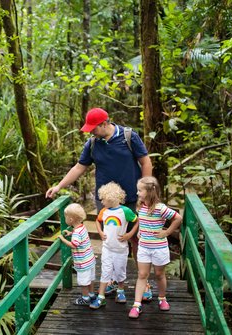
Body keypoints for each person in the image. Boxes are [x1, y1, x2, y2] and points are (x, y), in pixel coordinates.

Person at [46, 107, 153, 298]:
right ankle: (111, 280)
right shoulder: (93, 144)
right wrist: (59, 186)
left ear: (105, 124)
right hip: (106, 202)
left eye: (93, 128)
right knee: (109, 239)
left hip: (131, 198)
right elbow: (80, 167)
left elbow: (146, 162)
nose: (91, 132)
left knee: (137, 240)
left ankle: (143, 283)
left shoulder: (129, 136)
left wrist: (146, 193)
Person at [128, 176, 182, 319]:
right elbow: (142, 219)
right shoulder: (140, 206)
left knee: (159, 275)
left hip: (159, 248)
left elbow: (178, 218)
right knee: (142, 275)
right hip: (144, 247)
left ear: (150, 191)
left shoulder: (160, 208)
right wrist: (140, 231)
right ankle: (136, 305)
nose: (137, 193)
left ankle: (162, 298)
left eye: (140, 190)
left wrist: (167, 232)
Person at [90, 182, 139, 309]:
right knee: (105, 271)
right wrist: (100, 232)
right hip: (107, 248)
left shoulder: (125, 211)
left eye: (103, 199)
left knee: (120, 271)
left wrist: (130, 234)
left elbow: (137, 220)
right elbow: (97, 220)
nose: (101, 202)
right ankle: (101, 297)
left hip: (121, 249)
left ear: (111, 199)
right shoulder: (104, 211)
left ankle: (120, 291)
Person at [59, 203, 96, 305]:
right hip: (90, 260)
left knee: (84, 282)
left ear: (70, 220)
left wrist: (62, 239)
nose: (65, 218)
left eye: (65, 217)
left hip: (83, 262)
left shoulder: (76, 233)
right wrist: (71, 233)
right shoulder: (82, 227)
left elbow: (74, 245)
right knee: (91, 279)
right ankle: (92, 294)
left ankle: (85, 298)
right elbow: (80, 238)